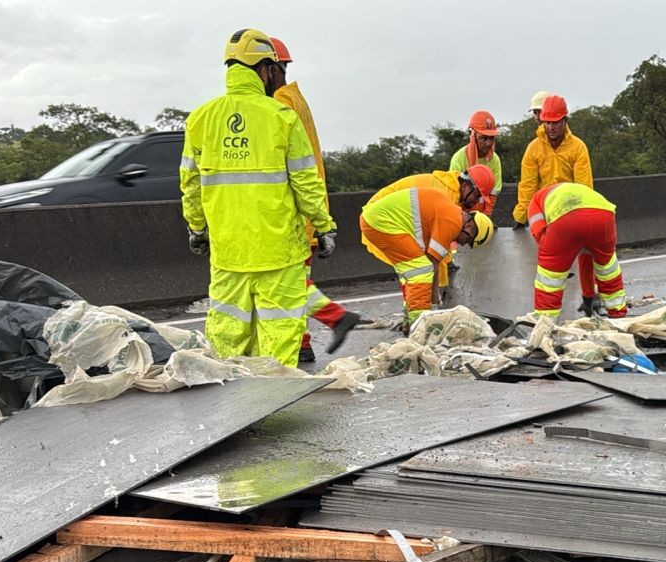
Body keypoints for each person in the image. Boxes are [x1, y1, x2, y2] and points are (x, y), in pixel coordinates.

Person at [181, 28, 333, 368]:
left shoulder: (200, 120)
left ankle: (230, 403)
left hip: (228, 250)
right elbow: (306, 182)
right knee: (279, 334)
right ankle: (272, 402)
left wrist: (197, 228)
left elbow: (190, 184)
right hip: (278, 250)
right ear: (265, 69)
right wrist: (323, 227)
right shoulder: (281, 117)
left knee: (228, 329)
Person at [269, 35, 362, 364]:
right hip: (308, 207)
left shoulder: (280, 104)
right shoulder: (296, 99)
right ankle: (303, 342)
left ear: (269, 69)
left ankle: (335, 318)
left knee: (287, 283)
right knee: (297, 281)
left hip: (296, 211)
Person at [360, 186, 494, 328]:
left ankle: (410, 320)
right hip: (382, 221)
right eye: (468, 241)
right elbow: (433, 264)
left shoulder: (451, 214)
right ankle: (419, 324)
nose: (462, 244)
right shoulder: (453, 222)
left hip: (377, 219)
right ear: (470, 228)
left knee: (412, 272)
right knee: (421, 269)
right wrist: (435, 306)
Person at [513, 95, 596, 309]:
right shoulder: (533, 149)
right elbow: (528, 184)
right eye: (547, 122)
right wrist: (521, 215)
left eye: (555, 122)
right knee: (547, 252)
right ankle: (546, 303)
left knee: (586, 249)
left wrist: (581, 214)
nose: (550, 127)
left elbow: (584, 185)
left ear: (565, 121)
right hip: (544, 209)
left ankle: (589, 297)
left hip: (570, 207)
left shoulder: (577, 147)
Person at [525, 182, 626, 320]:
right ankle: (618, 315)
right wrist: (588, 298)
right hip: (604, 216)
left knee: (549, 279)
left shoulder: (535, 201)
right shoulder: (576, 190)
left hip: (567, 219)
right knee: (608, 270)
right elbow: (586, 259)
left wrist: (558, 262)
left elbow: (539, 234)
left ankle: (545, 326)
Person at [448, 110, 503, 215]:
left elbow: (493, 193)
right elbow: (454, 193)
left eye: (491, 138)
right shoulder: (459, 158)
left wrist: (485, 216)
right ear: (471, 134)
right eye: (484, 138)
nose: (488, 143)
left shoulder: (495, 160)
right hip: (461, 214)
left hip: (482, 214)